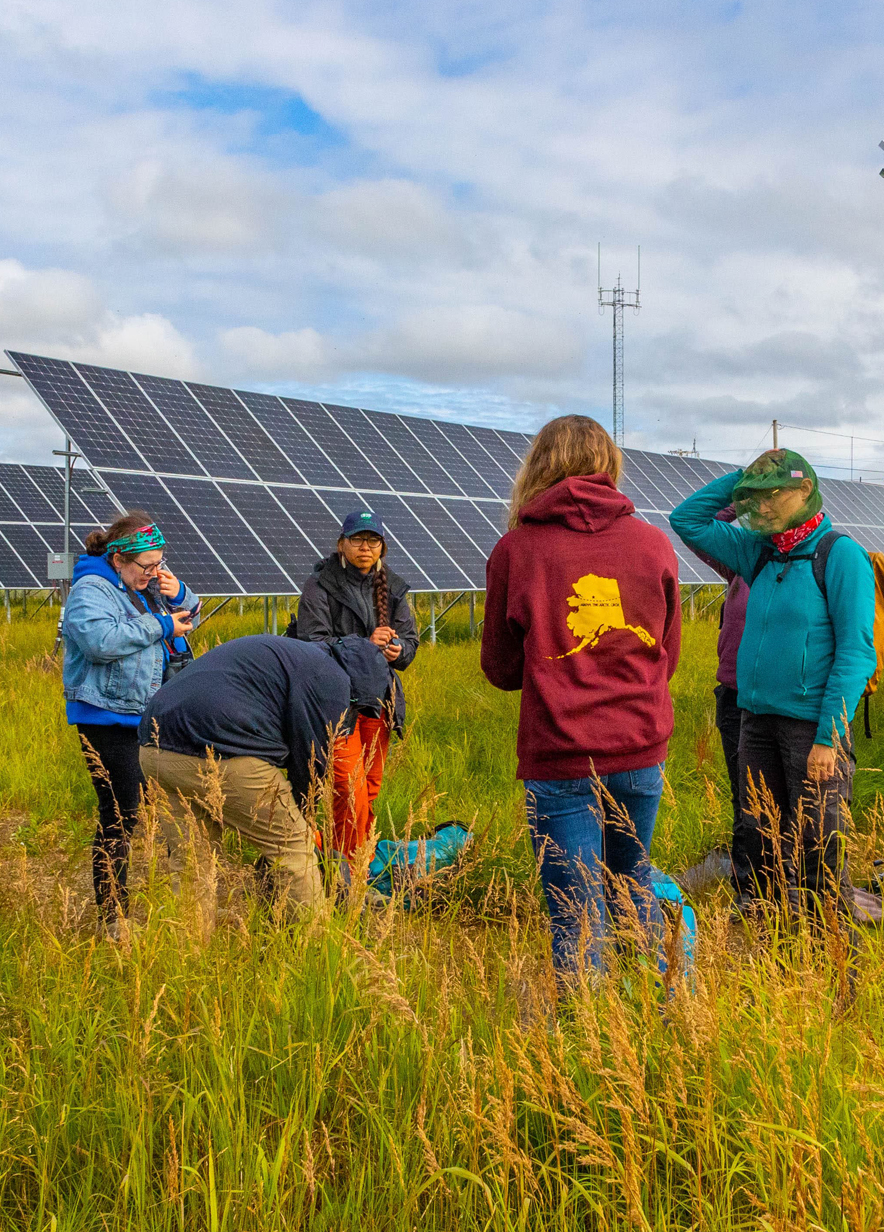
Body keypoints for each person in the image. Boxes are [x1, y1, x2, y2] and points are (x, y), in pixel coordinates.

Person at [480, 415, 682, 978]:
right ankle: (648, 1010)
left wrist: (556, 666)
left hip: (561, 756)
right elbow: (666, 657)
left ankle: (586, 1044)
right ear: (608, 465)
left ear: (540, 466)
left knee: (576, 914)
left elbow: (498, 667)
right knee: (632, 885)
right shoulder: (653, 544)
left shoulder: (517, 549)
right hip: (641, 752)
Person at [669, 448, 876, 921]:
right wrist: (745, 477)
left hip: (811, 727)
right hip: (755, 719)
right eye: (752, 499)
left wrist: (829, 736)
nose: (758, 508)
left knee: (816, 834)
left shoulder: (838, 555)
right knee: (759, 827)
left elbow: (856, 652)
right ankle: (768, 926)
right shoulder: (757, 552)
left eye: (771, 495)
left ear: (805, 491)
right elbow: (688, 519)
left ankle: (825, 938)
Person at [139, 635, 354, 935]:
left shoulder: (287, 652)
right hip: (217, 748)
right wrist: (305, 813)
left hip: (153, 746)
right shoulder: (331, 676)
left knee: (192, 861)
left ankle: (188, 960)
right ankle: (315, 952)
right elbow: (311, 755)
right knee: (292, 848)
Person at [62, 511, 198, 935]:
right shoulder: (91, 589)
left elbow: (183, 623)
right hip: (105, 717)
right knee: (119, 817)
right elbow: (101, 642)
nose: (154, 573)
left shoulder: (140, 586)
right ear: (119, 558)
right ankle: (113, 919)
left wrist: (182, 597)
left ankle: (148, 902)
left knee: (145, 811)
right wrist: (160, 623)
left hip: (140, 713)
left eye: (160, 565)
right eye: (148, 566)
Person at [297, 511, 419, 858]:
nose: (365, 547)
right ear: (341, 545)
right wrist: (367, 643)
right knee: (349, 789)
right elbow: (312, 643)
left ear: (382, 547)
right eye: (357, 540)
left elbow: (410, 643)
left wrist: (398, 650)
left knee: (368, 789)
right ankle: (348, 873)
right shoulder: (320, 585)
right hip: (337, 702)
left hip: (378, 701)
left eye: (373, 541)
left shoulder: (392, 587)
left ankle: (348, 860)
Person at [689, 507, 749, 833]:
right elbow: (696, 525)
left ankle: (786, 877)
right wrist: (739, 494)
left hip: (779, 702)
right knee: (743, 800)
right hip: (732, 696)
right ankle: (748, 880)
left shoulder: (803, 565)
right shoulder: (741, 564)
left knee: (778, 800)